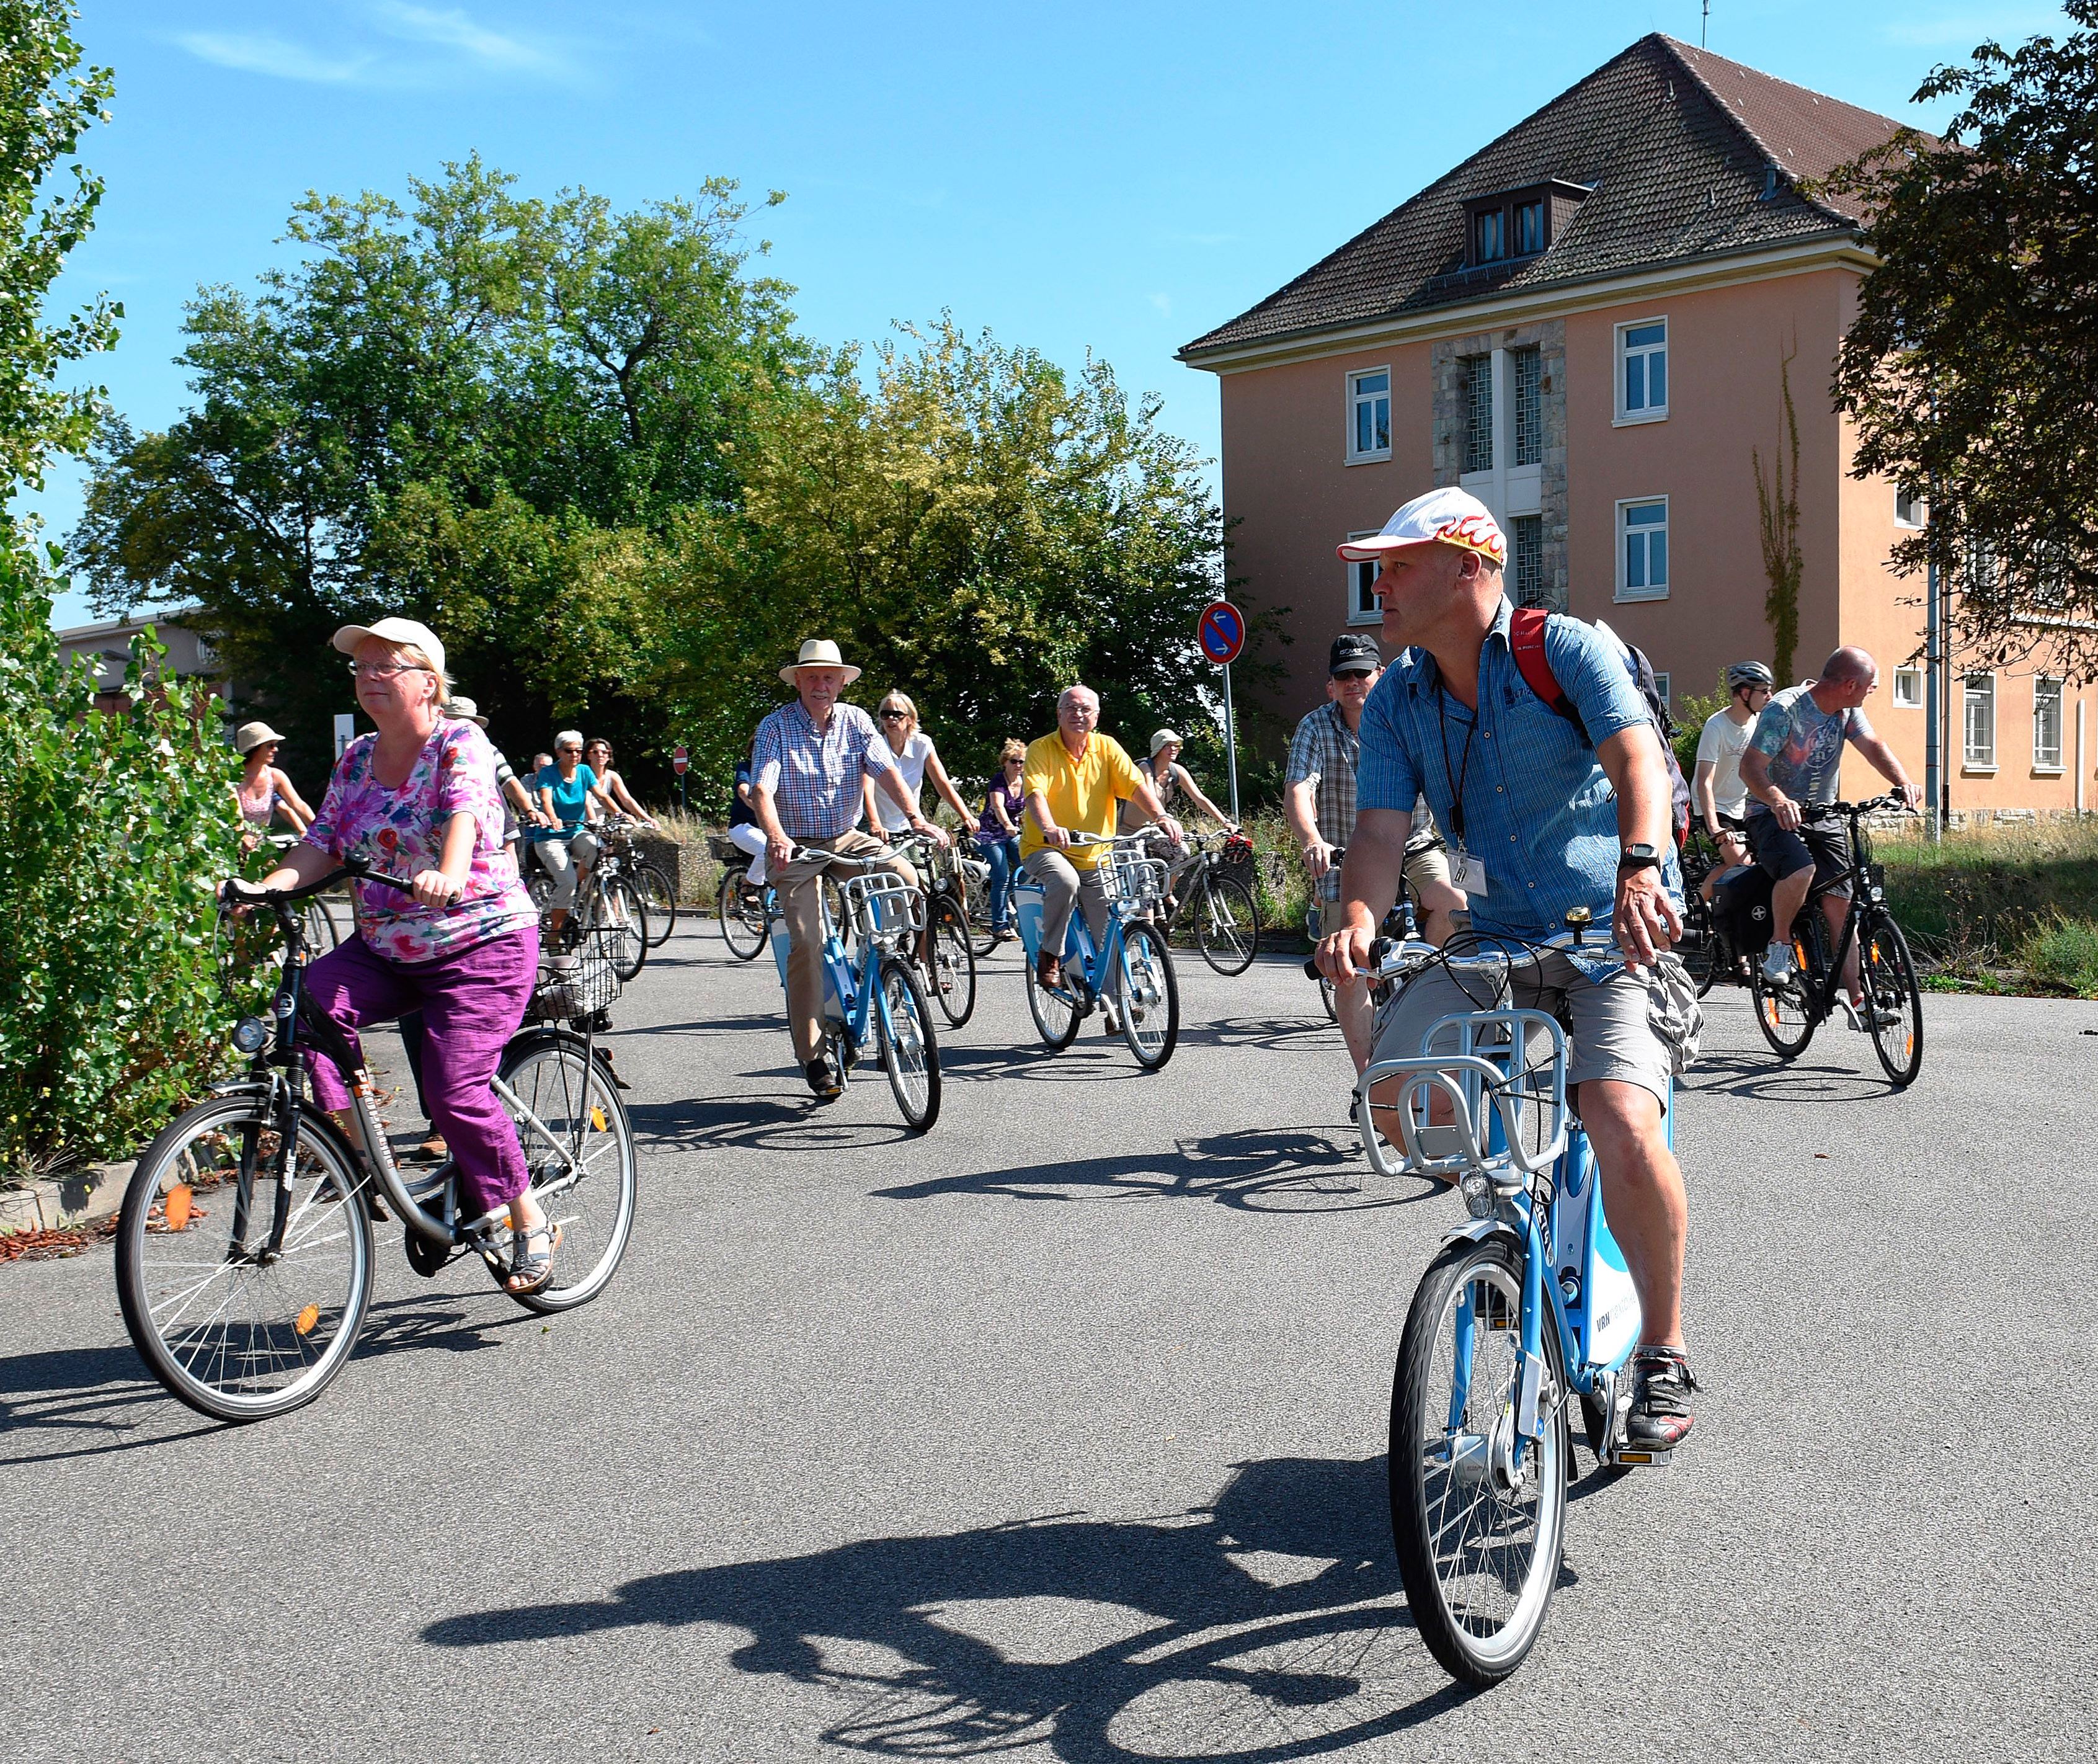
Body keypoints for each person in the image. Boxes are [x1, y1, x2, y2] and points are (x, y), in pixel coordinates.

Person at [1315, 487, 1697, 1451]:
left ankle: (1662, 1349)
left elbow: (1637, 764)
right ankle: (1504, 1241)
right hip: (1496, 940)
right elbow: (1375, 831)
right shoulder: (1400, 696)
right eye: (1378, 564)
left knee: (1613, 1114)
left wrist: (1642, 869)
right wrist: (1357, 913)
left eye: (1399, 563)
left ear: (1468, 568)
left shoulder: (1560, 651)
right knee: (1398, 1092)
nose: (1380, 581)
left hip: (1614, 930)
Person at [237, 616, 556, 1293]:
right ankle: (359, 1154)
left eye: (387, 665)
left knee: (452, 1090)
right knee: (309, 1007)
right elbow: (322, 841)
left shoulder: (458, 740)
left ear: (429, 683)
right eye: (362, 667)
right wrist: (263, 887)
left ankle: (526, 1218)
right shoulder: (355, 759)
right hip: (390, 945)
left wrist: (447, 869)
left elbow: (467, 812)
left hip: (482, 941)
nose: (369, 676)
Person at [750, 639, 949, 1099]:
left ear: (842, 682)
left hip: (845, 836)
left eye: (829, 677)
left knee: (907, 878)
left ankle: (882, 962)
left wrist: (917, 818)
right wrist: (776, 838)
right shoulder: (776, 726)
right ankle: (813, 1055)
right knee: (806, 943)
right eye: (812, 677)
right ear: (798, 681)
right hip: (796, 847)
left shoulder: (857, 720)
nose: (821, 685)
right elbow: (763, 787)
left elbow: (885, 772)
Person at [1286, 635, 1465, 1079]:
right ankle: (1369, 1074)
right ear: (1330, 686)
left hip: (1413, 844)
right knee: (1349, 958)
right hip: (1344, 856)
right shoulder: (1315, 727)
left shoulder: (1406, 718)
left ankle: (1427, 988)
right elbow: (1299, 788)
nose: (1353, 683)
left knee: (1456, 905)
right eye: (1342, 676)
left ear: (1379, 676)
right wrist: (1311, 840)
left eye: (1361, 673)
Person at [396, 693, 546, 1165]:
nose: (454, 732)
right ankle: (436, 1119)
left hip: (477, 911)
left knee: (462, 1033)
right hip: (417, 919)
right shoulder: (402, 759)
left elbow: (486, 816)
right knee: (412, 1014)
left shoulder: (478, 756)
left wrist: (529, 816)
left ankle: (469, 1126)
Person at [1738, 648, 1921, 1018]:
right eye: (1871, 686)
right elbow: (1751, 767)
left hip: (1824, 815)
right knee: (1801, 870)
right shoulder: (1785, 710)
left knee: (1843, 905)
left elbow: (1872, 746)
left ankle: (1859, 1000)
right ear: (1851, 684)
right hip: (1771, 814)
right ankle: (1779, 943)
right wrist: (1777, 800)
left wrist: (1903, 781)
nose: (1873, 692)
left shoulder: (1848, 710)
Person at [1020, 685, 1181, 1021]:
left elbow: (1136, 787)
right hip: (1046, 847)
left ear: (1096, 716)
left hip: (1096, 852)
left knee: (1108, 929)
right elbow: (1035, 794)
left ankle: (1116, 1004)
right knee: (1064, 882)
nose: (1078, 715)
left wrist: (1161, 816)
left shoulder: (1106, 747)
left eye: (1086, 710)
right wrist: (1049, 826)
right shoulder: (1041, 749)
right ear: (1059, 713)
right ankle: (1050, 954)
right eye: (1071, 708)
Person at [1692, 661, 1776, 888]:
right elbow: (1704, 782)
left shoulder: (1757, 724)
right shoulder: (1716, 726)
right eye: (1764, 691)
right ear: (1745, 693)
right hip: (1714, 807)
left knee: (1764, 863)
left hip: (1742, 806)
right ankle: (1698, 910)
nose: (1770, 696)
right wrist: (1714, 828)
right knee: (1742, 864)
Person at [529, 730, 603, 943]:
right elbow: (546, 800)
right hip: (550, 836)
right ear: (559, 751)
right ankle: (553, 938)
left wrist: (622, 814)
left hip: (575, 832)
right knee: (567, 882)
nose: (575, 755)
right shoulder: (548, 773)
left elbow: (602, 796)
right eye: (570, 751)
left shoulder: (585, 771)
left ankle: (573, 890)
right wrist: (552, 818)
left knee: (594, 847)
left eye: (579, 751)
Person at [872, 694, 977, 834]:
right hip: (879, 827)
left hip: (910, 826)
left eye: (897, 714)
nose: (891, 718)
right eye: (886, 714)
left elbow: (942, 784)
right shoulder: (874, 746)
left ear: (910, 719)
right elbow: (867, 788)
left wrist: (967, 817)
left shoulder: (922, 744)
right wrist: (875, 825)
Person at [229, 721, 313, 849]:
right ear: (254, 749)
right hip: (234, 846)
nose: (276, 750)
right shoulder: (233, 778)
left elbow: (298, 805)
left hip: (262, 848)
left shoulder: (276, 776)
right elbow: (236, 815)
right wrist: (242, 835)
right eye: (270, 746)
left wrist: (322, 831)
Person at [976, 739, 1026, 940]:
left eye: (1022, 762)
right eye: (1014, 761)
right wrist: (1007, 825)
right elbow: (998, 806)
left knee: (1030, 868)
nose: (1018, 766)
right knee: (1002, 877)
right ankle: (1000, 926)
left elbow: (1031, 807)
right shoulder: (999, 780)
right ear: (1005, 762)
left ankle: (1009, 899)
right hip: (990, 835)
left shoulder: (1026, 782)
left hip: (1012, 833)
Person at [584, 737, 659, 829]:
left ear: (609, 756)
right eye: (595, 752)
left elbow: (627, 800)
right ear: (588, 756)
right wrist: (622, 816)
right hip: (583, 825)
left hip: (601, 827)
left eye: (604, 752)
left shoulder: (612, 776)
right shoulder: (583, 775)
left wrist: (648, 819)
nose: (600, 755)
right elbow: (588, 804)